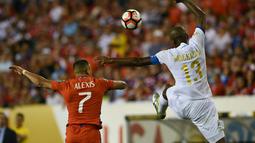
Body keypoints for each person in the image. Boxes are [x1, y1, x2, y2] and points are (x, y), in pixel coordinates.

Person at [95, 0, 225, 142]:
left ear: (172, 42)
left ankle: (161, 108)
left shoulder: (167, 54)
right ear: (187, 37)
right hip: (205, 105)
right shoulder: (197, 43)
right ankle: (161, 104)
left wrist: (112, 60)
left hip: (184, 105)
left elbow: (138, 62)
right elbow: (201, 15)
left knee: (168, 89)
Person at [10, 59, 127, 143]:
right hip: (91, 132)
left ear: (75, 72)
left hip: (72, 132)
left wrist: (24, 72)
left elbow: (41, 82)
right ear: (89, 70)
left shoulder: (66, 85)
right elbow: (122, 84)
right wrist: (107, 85)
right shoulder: (100, 83)